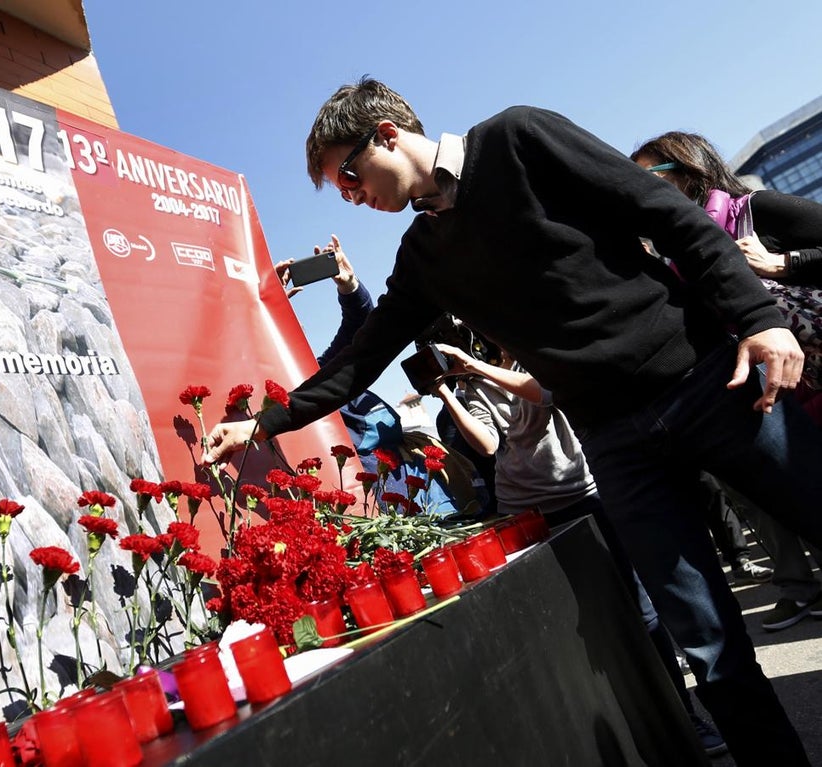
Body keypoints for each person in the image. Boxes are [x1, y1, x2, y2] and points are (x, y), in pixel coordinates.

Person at [204, 77, 822, 766]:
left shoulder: (519, 138)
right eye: (339, 190)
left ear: (385, 134)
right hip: (617, 446)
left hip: (709, 381)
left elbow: (668, 216)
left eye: (347, 176)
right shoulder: (422, 258)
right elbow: (362, 355)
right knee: (711, 650)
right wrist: (268, 420)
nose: (351, 197)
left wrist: (761, 320)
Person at [427, 337, 726, 754]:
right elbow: (488, 445)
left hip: (584, 493)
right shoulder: (472, 386)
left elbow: (543, 392)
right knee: (563, 620)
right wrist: (446, 391)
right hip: (524, 514)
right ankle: (616, 722)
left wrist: (477, 368)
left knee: (642, 608)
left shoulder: (542, 352)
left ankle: (686, 715)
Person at [632, 131, 822, 632]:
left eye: (647, 177)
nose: (637, 192)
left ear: (688, 171)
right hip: (788, 384)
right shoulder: (676, 257)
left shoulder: (757, 209)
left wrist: (784, 263)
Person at [276, 236, 484, 517]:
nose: (293, 328)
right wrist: (267, 309)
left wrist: (349, 286)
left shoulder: (322, 370)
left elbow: (360, 326)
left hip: (425, 490)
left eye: (292, 320)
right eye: (280, 324)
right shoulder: (283, 396)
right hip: (381, 506)